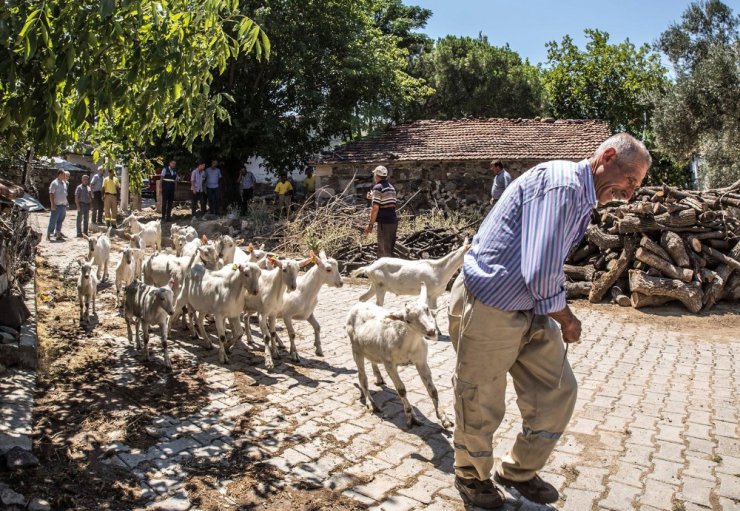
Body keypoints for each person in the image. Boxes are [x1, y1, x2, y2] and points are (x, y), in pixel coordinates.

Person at [446, 133, 651, 509]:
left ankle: (517, 471)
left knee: (557, 389)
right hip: (490, 303)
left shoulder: (581, 195)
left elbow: (543, 271)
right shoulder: (561, 186)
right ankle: (471, 477)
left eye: (636, 186)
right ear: (606, 156)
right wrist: (568, 319)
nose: (630, 193)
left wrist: (553, 311)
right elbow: (540, 272)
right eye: (630, 181)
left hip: (531, 307)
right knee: (480, 398)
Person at [363, 165, 397, 258]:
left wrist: (370, 225)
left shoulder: (377, 188)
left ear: (376, 175)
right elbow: (388, 202)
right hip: (393, 222)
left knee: (383, 252)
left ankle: (385, 271)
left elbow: (375, 208)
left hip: (384, 223)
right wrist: (372, 197)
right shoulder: (391, 187)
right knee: (389, 250)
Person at [47, 170, 68, 241]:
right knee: (53, 220)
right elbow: (51, 194)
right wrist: (52, 204)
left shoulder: (64, 183)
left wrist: (66, 203)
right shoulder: (54, 183)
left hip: (63, 205)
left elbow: (64, 194)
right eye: (64, 175)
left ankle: (58, 234)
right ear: (60, 174)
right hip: (56, 205)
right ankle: (49, 234)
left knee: (60, 220)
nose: (65, 176)